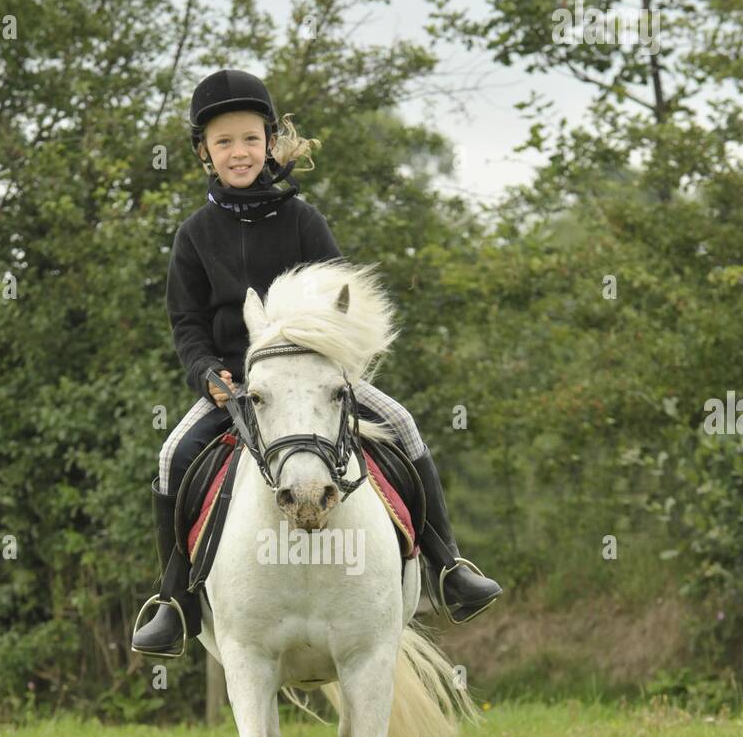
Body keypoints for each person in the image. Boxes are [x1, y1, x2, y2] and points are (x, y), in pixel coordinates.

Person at [132, 69, 501, 656]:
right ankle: (173, 601)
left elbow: (341, 305)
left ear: (270, 142)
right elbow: (188, 327)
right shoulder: (194, 236)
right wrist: (207, 374)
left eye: (250, 139)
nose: (239, 152)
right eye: (224, 142)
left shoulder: (305, 222)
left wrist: (331, 360)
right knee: (172, 454)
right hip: (235, 387)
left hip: (316, 379)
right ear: (204, 152)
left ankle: (449, 568)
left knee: (402, 425)